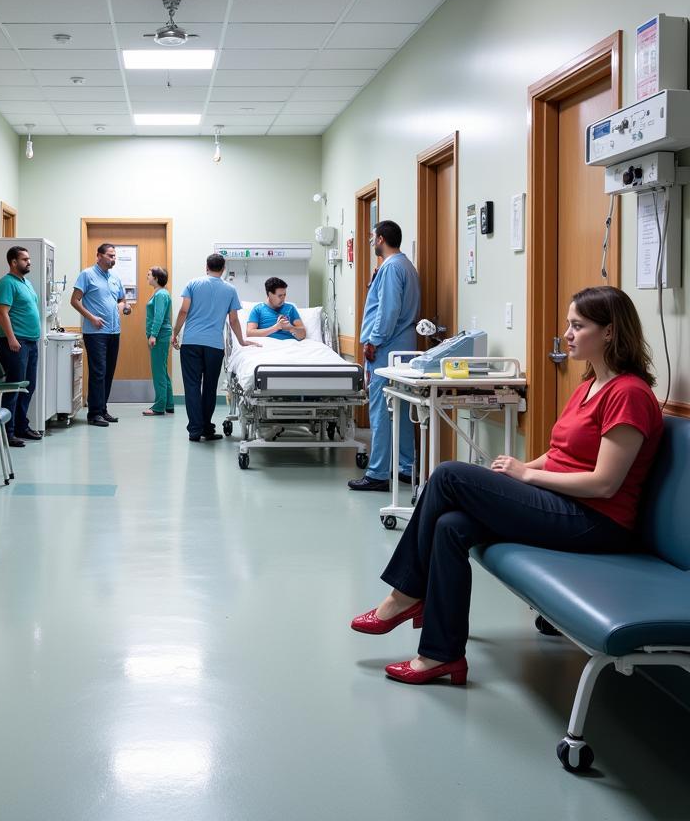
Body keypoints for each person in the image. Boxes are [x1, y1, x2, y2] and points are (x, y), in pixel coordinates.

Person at [350, 285, 663, 686]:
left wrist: (525, 476)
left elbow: (604, 483)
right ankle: (440, 656)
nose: (567, 333)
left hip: (597, 521)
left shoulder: (629, 394)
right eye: (569, 324)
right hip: (564, 503)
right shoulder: (590, 385)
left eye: (578, 326)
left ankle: (405, 596)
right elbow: (560, 453)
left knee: (447, 474)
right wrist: (518, 472)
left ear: (609, 333)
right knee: (450, 527)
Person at [348, 219, 421, 492]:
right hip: (403, 347)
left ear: (380, 239)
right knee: (400, 408)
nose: (370, 243)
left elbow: (387, 311)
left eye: (371, 238)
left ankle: (378, 473)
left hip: (386, 349)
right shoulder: (405, 266)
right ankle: (405, 466)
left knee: (380, 411)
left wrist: (373, 342)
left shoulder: (391, 268)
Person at [172, 253, 259, 442]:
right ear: (223, 269)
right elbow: (234, 320)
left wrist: (175, 332)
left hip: (192, 343)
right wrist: (242, 341)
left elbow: (184, 310)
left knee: (192, 386)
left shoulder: (193, 284)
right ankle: (207, 429)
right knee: (210, 387)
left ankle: (194, 430)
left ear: (206, 267)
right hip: (214, 346)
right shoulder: (230, 289)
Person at [72, 243, 129, 427]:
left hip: (114, 331)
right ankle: (94, 413)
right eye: (110, 255)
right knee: (98, 372)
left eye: (115, 256)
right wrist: (91, 317)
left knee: (108, 372)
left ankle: (103, 409)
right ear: (99, 256)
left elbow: (121, 299)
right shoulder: (87, 275)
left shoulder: (115, 277)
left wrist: (124, 307)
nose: (113, 259)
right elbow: (74, 300)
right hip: (95, 332)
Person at [0, 245, 42, 447]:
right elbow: (1, 313)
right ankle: (8, 431)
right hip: (15, 343)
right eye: (24, 259)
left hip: (30, 342)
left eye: (28, 259)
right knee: (14, 387)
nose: (28, 262)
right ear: (13, 262)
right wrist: (12, 338)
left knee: (27, 387)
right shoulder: (6, 283)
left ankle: (22, 425)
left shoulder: (26, 283)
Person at [143, 266, 175, 417]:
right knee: (162, 370)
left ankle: (159, 406)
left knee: (158, 372)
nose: (147, 277)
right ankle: (169, 403)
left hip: (159, 336)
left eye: (149, 275)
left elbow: (159, 316)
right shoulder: (160, 293)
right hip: (162, 335)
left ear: (156, 278)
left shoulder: (161, 294)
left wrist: (153, 335)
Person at [246, 276, 306, 341]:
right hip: (268, 345)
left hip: (290, 344)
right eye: (280, 296)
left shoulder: (290, 308)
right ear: (270, 294)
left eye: (284, 295)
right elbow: (250, 333)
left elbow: (303, 334)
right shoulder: (258, 309)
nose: (283, 299)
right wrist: (276, 327)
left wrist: (290, 328)